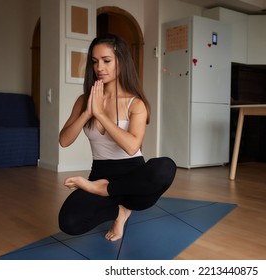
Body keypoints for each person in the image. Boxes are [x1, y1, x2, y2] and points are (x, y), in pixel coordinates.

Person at [58, 34, 177, 242]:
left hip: (134, 177)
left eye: (106, 61)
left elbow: (132, 147)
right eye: (95, 62)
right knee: (69, 223)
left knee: (165, 167)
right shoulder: (84, 101)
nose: (99, 68)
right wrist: (87, 112)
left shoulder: (135, 103)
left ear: (120, 61)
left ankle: (108, 192)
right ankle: (120, 211)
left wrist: (101, 115)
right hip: (101, 173)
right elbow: (64, 140)